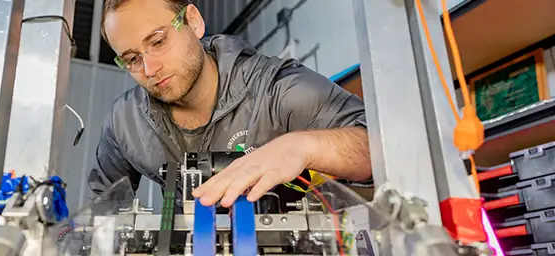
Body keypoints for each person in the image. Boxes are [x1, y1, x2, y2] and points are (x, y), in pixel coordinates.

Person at [88, 0, 372, 211]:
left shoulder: (275, 90)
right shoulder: (125, 122)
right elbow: (103, 204)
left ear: (193, 21)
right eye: (132, 59)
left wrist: (302, 147)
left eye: (159, 41)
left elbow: (375, 151)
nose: (149, 69)